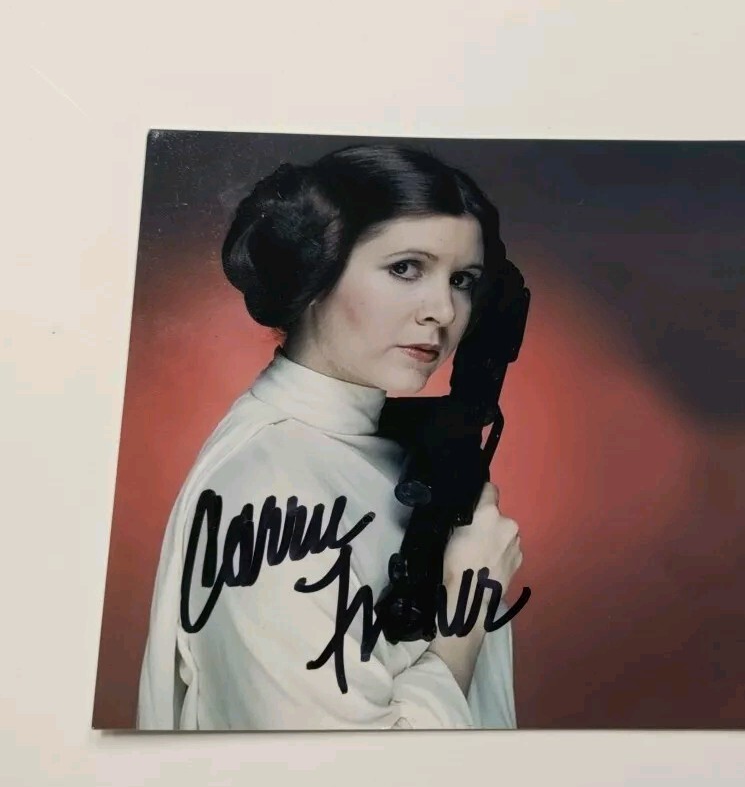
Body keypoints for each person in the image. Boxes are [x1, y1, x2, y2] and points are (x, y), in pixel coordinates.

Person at [136, 143, 524, 730]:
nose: (443, 310)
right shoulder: (270, 487)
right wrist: (467, 603)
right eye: (406, 268)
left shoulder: (390, 447)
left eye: (462, 279)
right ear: (315, 270)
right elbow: (334, 767)